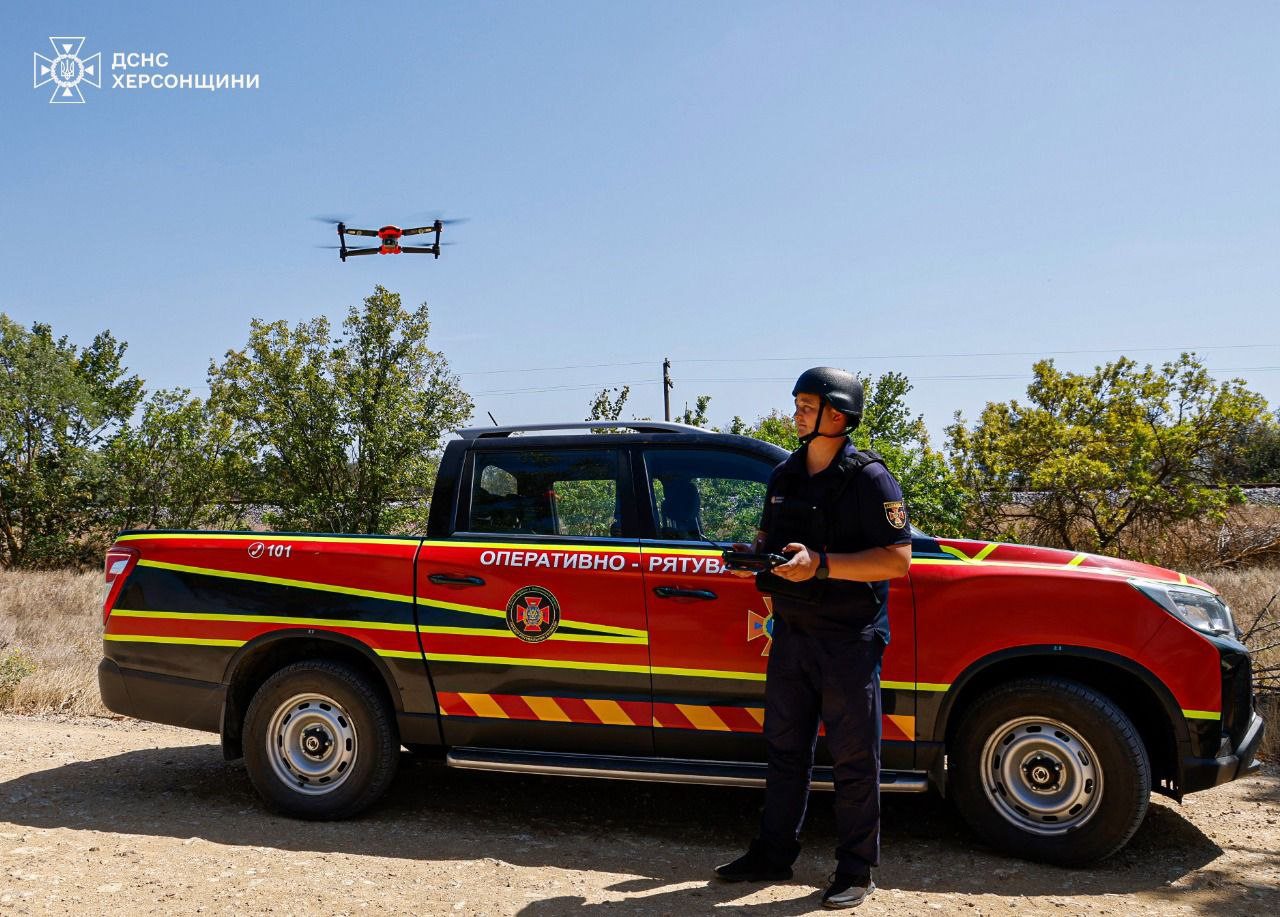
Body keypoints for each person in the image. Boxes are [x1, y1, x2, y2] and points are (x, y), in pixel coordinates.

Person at [714, 367, 912, 909]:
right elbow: (770, 544)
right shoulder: (784, 476)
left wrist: (819, 565)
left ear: (839, 415)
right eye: (797, 403)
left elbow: (897, 560)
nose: (796, 412)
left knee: (853, 758)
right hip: (793, 635)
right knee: (784, 750)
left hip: (850, 639)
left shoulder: (871, 479)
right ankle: (773, 854)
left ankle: (855, 870)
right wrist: (753, 566)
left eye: (808, 404)